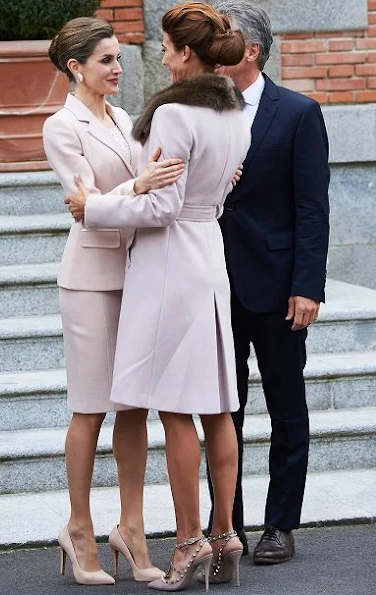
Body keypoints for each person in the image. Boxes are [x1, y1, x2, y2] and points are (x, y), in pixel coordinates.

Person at [65, 2, 251, 591]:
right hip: (209, 254)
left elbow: (161, 207)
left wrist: (93, 207)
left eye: (166, 48)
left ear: (185, 54)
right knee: (218, 404)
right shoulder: (236, 113)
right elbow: (214, 197)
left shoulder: (173, 113)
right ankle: (226, 535)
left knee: (176, 408)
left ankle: (189, 544)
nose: (161, 55)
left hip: (171, 260)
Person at [42, 16, 185, 585]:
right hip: (89, 278)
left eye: (120, 59)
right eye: (106, 60)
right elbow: (87, 205)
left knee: (134, 407)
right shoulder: (61, 125)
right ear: (76, 67)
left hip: (138, 274)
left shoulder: (126, 118)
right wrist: (141, 186)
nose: (118, 69)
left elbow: (141, 185)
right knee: (90, 408)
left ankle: (131, 527)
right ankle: (79, 528)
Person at [208, 0, 331, 565]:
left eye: (221, 38)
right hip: (210, 285)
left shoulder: (299, 113)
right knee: (219, 411)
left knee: (286, 407)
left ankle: (280, 524)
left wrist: (307, 286)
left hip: (280, 289)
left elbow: (312, 208)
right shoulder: (198, 109)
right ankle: (222, 526)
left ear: (249, 51)